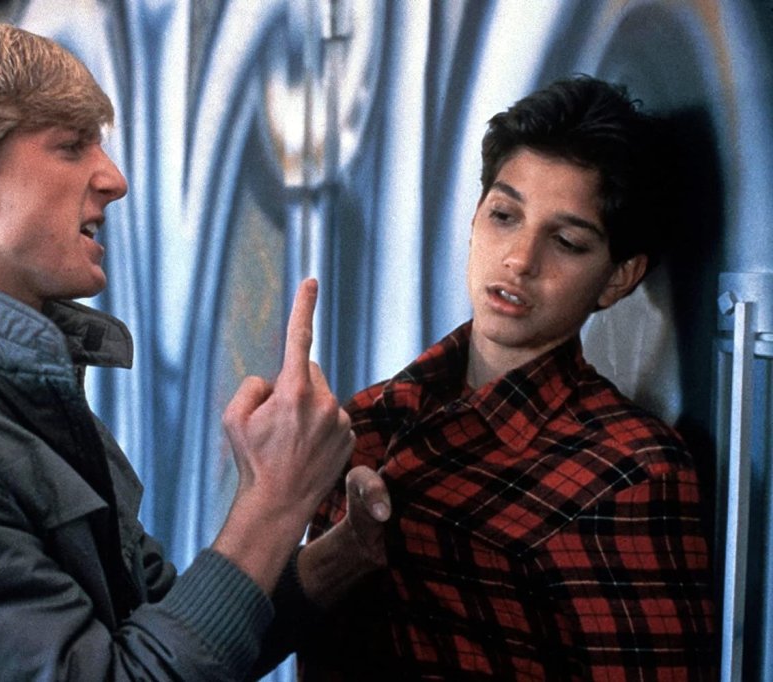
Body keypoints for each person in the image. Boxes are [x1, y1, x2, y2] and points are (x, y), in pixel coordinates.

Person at [0, 15, 390, 681]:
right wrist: (274, 500)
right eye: (70, 146)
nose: (112, 178)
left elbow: (167, 637)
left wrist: (332, 563)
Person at [300, 76, 716, 681]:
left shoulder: (633, 473)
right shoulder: (366, 421)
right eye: (503, 215)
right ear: (474, 219)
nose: (520, 259)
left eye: (566, 241)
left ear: (618, 278)